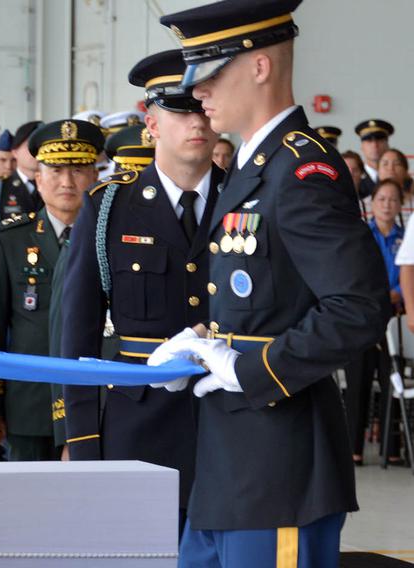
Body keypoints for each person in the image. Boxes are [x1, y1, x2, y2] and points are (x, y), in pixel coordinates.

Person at [153, 1, 392, 565]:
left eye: (209, 76)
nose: (199, 92)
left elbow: (357, 306)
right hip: (230, 468)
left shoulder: (302, 171)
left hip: (279, 471)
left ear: (259, 67)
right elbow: (266, 298)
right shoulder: (252, 165)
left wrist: (248, 368)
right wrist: (205, 345)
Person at [62, 49, 222, 534]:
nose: (195, 119)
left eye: (203, 104)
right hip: (140, 426)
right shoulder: (109, 208)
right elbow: (78, 336)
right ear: (150, 122)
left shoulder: (249, 200)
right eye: (179, 107)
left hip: (229, 422)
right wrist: (86, 440)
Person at [0, 119, 101, 461]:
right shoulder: (9, 240)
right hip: (29, 405)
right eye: (55, 170)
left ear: (96, 175)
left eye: (79, 169)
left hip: (94, 399)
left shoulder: (110, 239)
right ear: (38, 179)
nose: (67, 181)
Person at [48, 124, 158, 453]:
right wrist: (70, 429)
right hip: (107, 404)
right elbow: (66, 338)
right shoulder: (99, 233)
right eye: (131, 175)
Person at [344, 179, 403, 466]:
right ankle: (353, 447)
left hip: (395, 317)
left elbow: (409, 277)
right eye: (382, 199)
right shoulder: (361, 236)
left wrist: (398, 292)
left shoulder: (406, 239)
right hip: (363, 317)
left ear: (400, 204)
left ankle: (391, 447)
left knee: (392, 381)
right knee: (357, 385)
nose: (387, 205)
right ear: (372, 204)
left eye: (393, 200)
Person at [356, 118, 393, 198]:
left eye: (379, 139)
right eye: (369, 140)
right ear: (362, 146)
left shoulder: (395, 174)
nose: (375, 145)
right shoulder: (355, 175)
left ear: (387, 144)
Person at [376, 148, 413, 226]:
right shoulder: (364, 205)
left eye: (397, 164)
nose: (390, 169)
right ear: (378, 171)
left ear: (406, 171)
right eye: (385, 164)